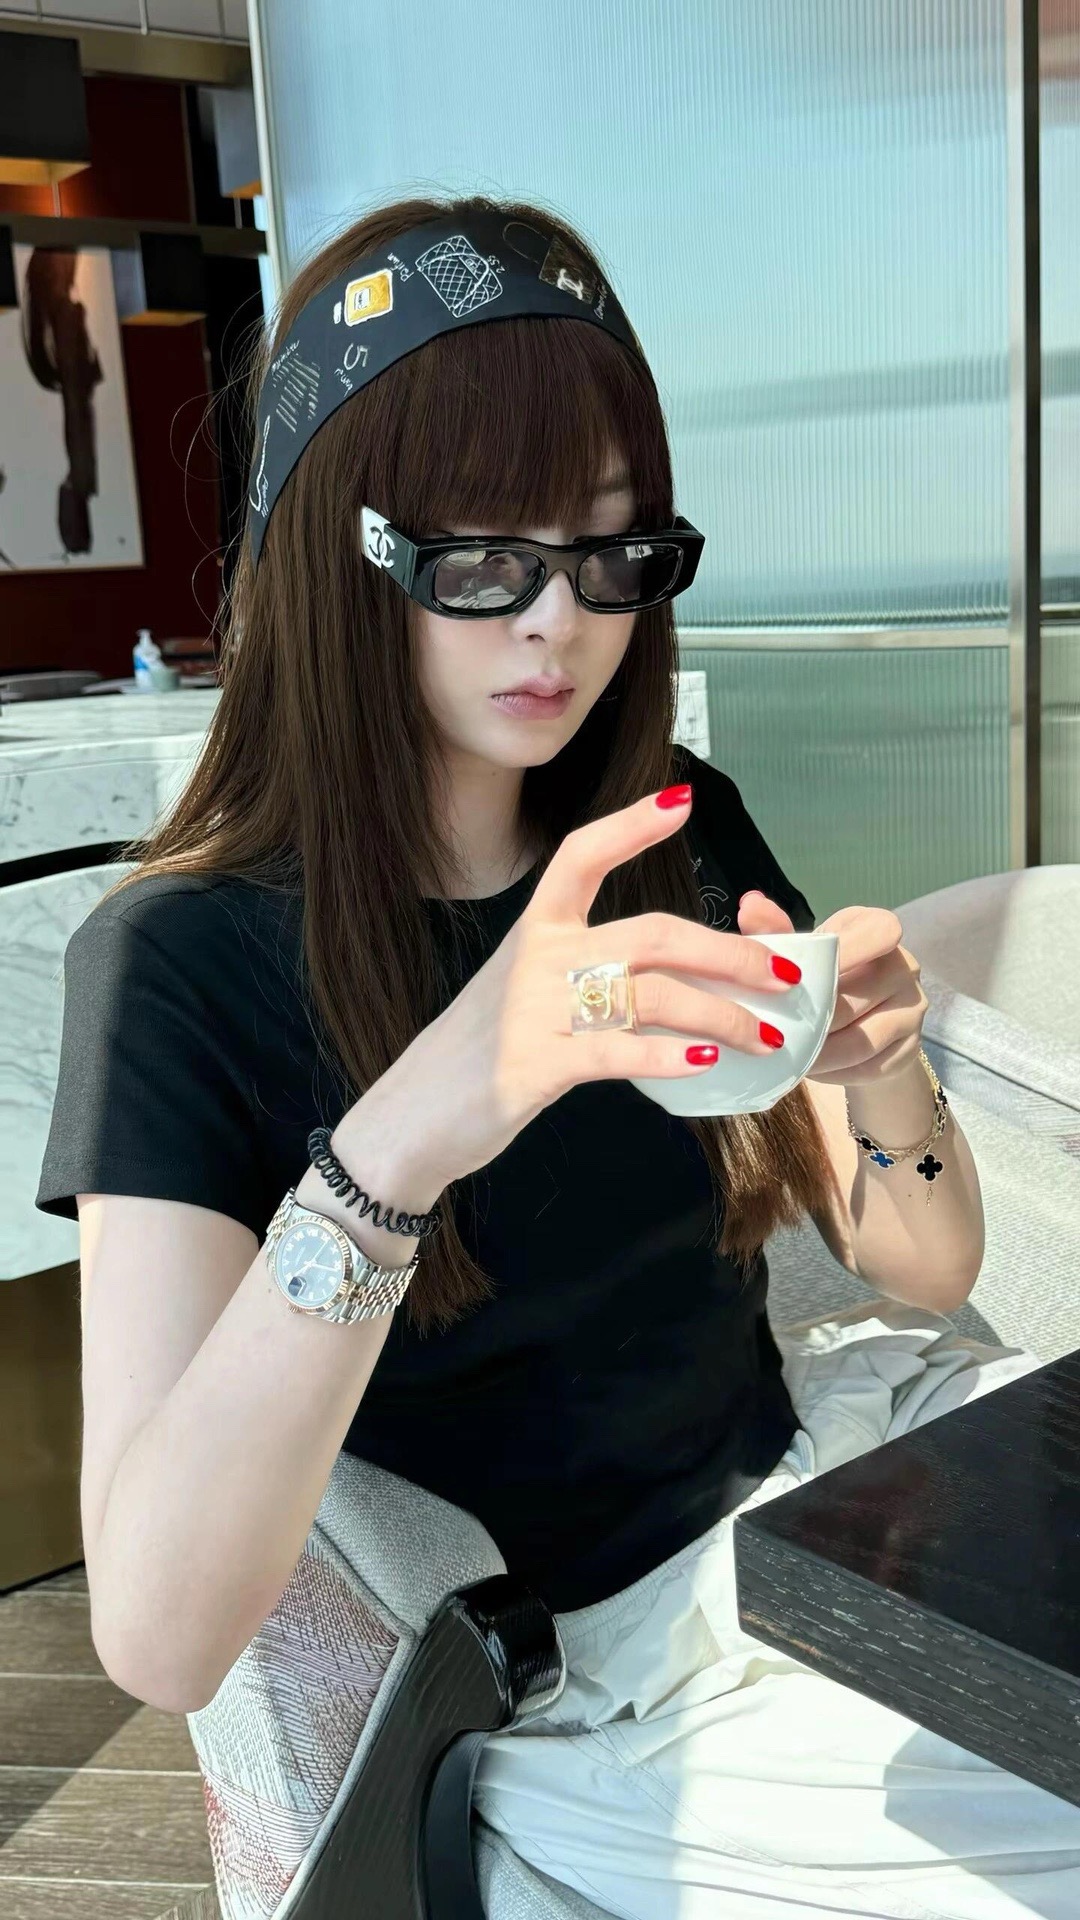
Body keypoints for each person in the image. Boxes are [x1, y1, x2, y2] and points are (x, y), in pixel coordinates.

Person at [35, 194, 1080, 1919]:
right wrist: (407, 1137)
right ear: (336, 556)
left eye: (610, 554)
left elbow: (923, 1263)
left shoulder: (668, 825)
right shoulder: (176, 963)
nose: (557, 624)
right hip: (604, 1681)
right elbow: (160, 1635)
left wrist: (882, 1068)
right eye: (478, 560)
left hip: (833, 1492)